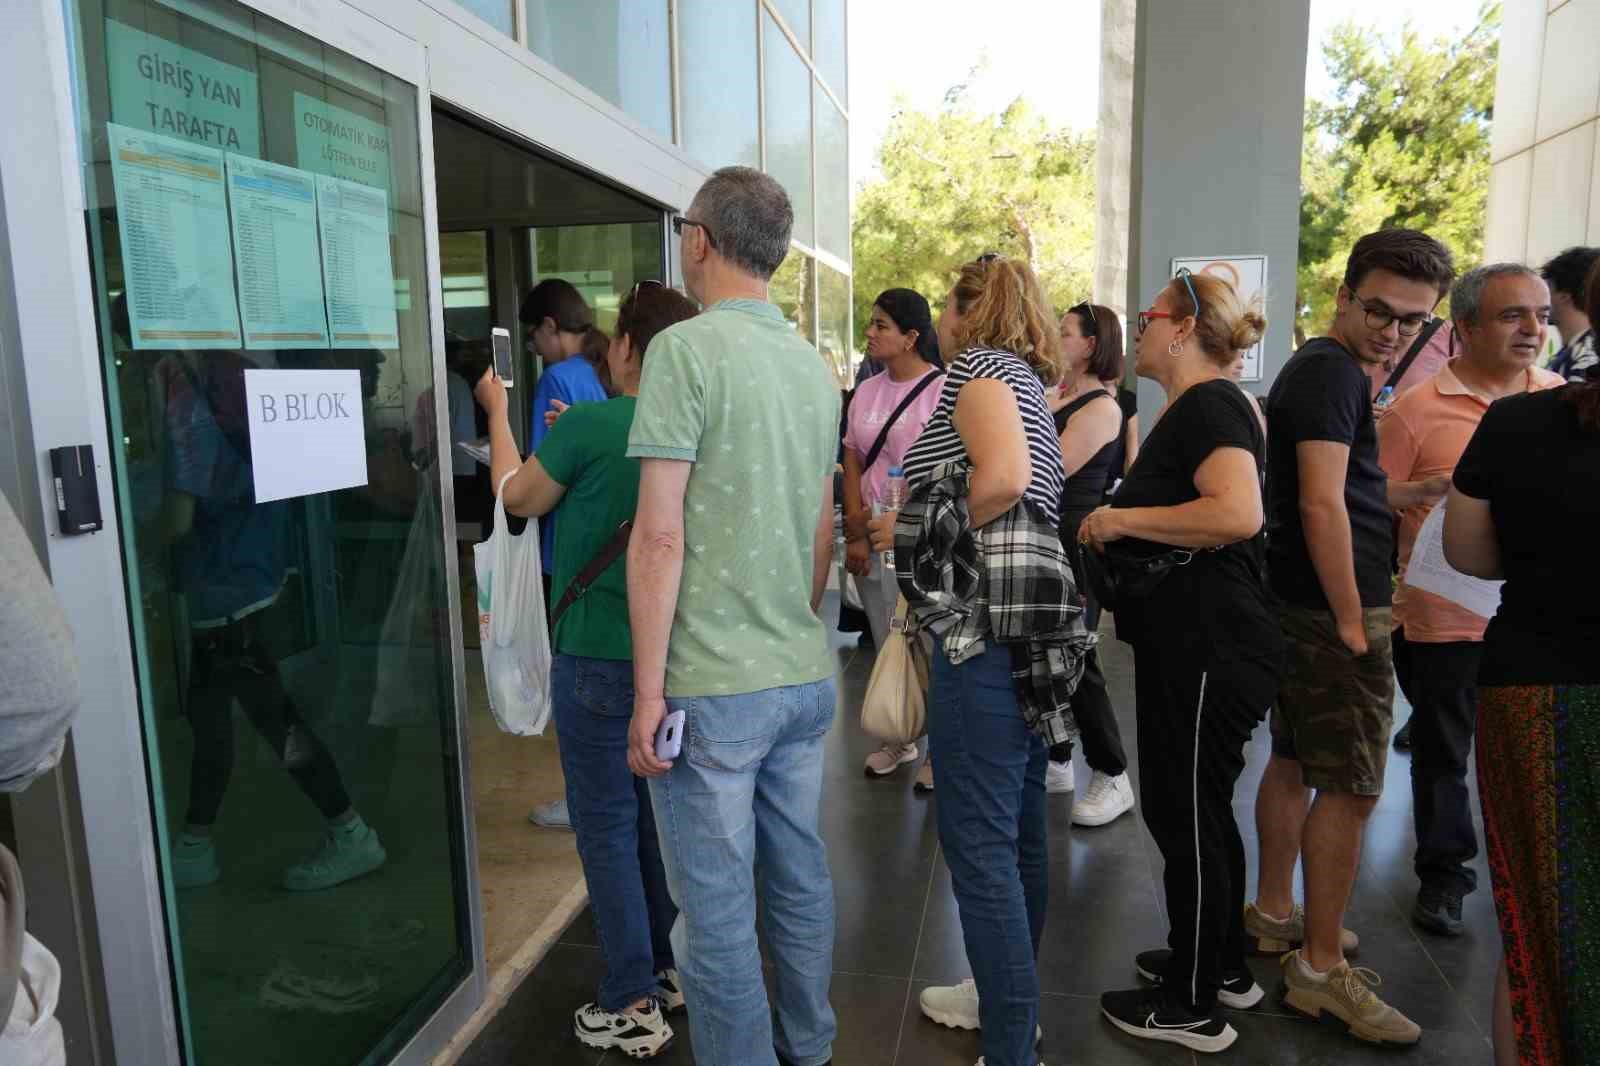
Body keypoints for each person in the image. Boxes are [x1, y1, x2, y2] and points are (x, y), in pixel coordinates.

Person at [624, 167, 841, 1066]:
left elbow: (659, 538)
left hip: (711, 687)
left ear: (701, 240)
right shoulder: (813, 366)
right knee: (797, 880)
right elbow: (824, 525)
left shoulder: (683, 352)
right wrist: (794, 614)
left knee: (713, 920)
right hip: (802, 671)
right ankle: (811, 1045)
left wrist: (646, 696)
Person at [476, 282, 696, 1058]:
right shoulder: (693, 425)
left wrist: (499, 413)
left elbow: (518, 495)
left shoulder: (595, 425)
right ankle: (665, 969)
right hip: (669, 657)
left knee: (603, 828)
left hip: (595, 658)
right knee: (645, 822)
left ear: (630, 349)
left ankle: (631, 997)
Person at [1252, 228, 1455, 1046]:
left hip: (1308, 601)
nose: (1394, 331)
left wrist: (1413, 486)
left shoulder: (1322, 369)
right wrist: (1348, 618)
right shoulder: (1333, 375)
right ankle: (1319, 966)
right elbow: (1319, 506)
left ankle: (1275, 913)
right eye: (1381, 311)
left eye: (1413, 321)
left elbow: (1342, 485)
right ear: (1343, 295)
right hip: (1336, 607)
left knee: (1297, 758)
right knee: (1357, 783)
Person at [1079, 271, 1279, 1053]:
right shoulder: (1208, 406)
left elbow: (1235, 513)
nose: (1136, 329)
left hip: (1209, 646)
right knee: (1200, 808)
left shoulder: (1210, 403)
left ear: (1183, 327)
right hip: (1206, 644)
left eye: (1147, 316)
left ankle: (1193, 1003)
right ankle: (1220, 962)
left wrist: (1120, 517)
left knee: (1183, 812)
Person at [880, 254, 1070, 1066]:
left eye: (948, 306)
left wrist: (913, 531)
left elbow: (1003, 478)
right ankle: (1006, 1005)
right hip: (1026, 627)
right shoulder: (1027, 381)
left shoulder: (983, 371)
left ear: (966, 310)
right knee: (1018, 831)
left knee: (979, 842)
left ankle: (1008, 1038)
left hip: (982, 632)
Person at [1443, 259, 1600, 1066]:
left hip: (1540, 687)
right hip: (1540, 688)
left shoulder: (1521, 423)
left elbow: (1468, 552)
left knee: (1540, 916)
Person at [1379, 264, 1565, 941]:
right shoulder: (1414, 411)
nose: (1533, 329)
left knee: (1538, 754)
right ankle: (1445, 876)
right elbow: (1365, 502)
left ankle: (1546, 881)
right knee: (1443, 753)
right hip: (1440, 621)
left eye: (1540, 314)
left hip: (1539, 619)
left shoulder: (1564, 401)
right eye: (1513, 315)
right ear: (1463, 329)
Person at [157, 351, 384, 892]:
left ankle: (350, 830)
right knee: (215, 722)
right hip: (255, 583)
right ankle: (195, 841)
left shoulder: (194, 398)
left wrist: (138, 542)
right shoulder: (243, 380)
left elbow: (181, 515)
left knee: (277, 728)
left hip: (225, 597)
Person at [843, 288, 943, 780]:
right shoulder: (866, 389)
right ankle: (898, 736)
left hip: (920, 537)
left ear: (911, 337)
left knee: (926, 639)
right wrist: (855, 532)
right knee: (887, 636)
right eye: (871, 322)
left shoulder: (944, 390)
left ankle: (935, 752)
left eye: (881, 325)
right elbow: (852, 458)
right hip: (872, 535)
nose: (870, 333)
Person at [521, 279, 610, 833]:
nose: (534, 348)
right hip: (614, 544)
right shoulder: (606, 373)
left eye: (534, 336)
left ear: (551, 327)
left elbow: (539, 474)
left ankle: (580, 799)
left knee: (573, 683)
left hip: (569, 549)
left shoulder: (557, 378)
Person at [1043, 302, 1135, 827]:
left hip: (1072, 542)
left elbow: (1050, 468)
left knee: (1077, 660)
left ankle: (1112, 772)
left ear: (1093, 342)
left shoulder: (1100, 406)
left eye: (1066, 332)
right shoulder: (1064, 393)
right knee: (1049, 655)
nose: (1058, 340)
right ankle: (1059, 760)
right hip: (1052, 537)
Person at [1540, 245, 1598, 381]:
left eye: (1545, 289)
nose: (1538, 298)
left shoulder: (1587, 356)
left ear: (1564, 295)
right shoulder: (1572, 352)